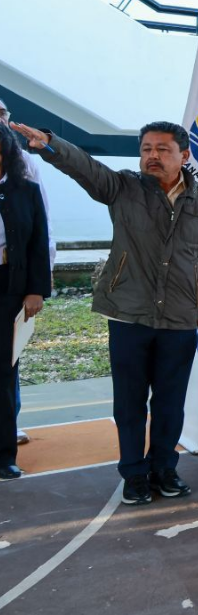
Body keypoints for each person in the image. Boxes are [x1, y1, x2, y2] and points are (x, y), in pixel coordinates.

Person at [11, 120, 198, 504]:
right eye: (146, 149)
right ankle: (134, 474)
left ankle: (164, 468)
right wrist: (50, 145)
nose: (152, 156)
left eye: (162, 149)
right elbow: (86, 168)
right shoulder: (123, 188)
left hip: (179, 318)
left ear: (184, 155)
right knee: (129, 403)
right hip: (129, 315)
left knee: (170, 404)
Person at [0, 98, 55, 448]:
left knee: (7, 358)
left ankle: (7, 429)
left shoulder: (25, 173)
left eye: (2, 115)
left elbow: (40, 230)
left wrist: (38, 284)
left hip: (10, 277)